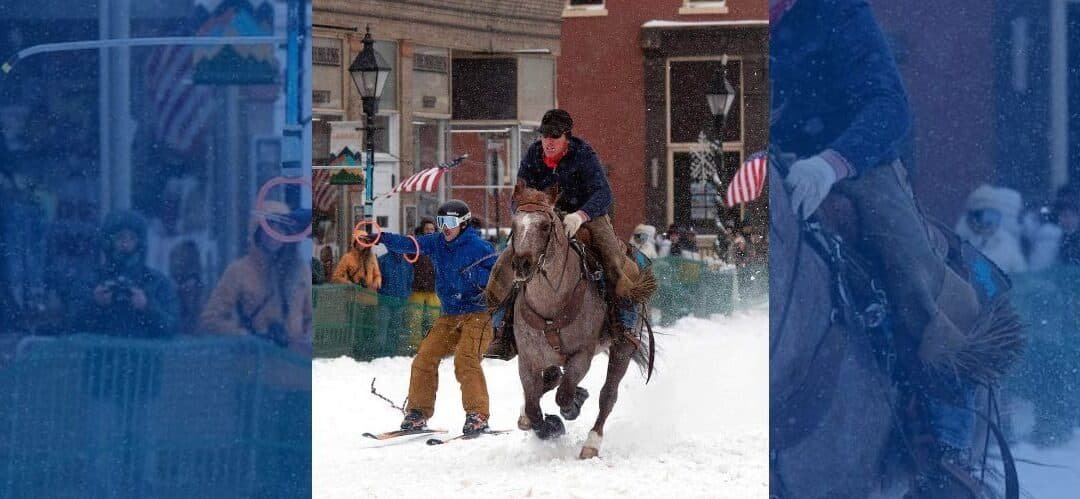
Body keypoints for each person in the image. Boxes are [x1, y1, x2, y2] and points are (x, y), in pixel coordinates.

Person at [771, 0, 988, 495]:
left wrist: (831, 163)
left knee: (910, 267)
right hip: (769, 165)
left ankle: (944, 434)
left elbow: (890, 107)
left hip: (851, 168)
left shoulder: (838, 10)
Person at [361, 200, 497, 435]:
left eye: (450, 222)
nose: (445, 227)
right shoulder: (437, 242)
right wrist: (381, 238)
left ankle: (477, 415)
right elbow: (409, 243)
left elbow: (499, 275)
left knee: (465, 359)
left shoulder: (479, 247)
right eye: (441, 221)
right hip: (450, 314)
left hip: (478, 314)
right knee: (425, 357)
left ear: (464, 224)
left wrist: (476, 277)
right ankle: (417, 413)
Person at [199, 202, 312, 352]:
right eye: (268, 228)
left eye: (281, 228)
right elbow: (210, 319)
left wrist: (307, 338)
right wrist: (247, 337)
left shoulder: (300, 270)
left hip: (294, 361)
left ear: (288, 233)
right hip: (256, 360)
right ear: (257, 232)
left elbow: (313, 316)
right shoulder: (238, 271)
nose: (274, 234)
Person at [75, 210, 179, 338]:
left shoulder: (157, 282)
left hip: (143, 351)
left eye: (132, 238)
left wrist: (147, 307)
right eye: (120, 237)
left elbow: (172, 327)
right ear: (109, 241)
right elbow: (71, 324)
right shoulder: (91, 280)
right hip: (99, 351)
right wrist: (94, 303)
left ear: (140, 242)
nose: (126, 244)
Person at [954, 185, 1027, 275]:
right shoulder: (956, 244)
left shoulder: (1009, 249)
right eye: (986, 216)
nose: (990, 224)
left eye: (994, 217)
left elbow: (1022, 278)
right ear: (972, 216)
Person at [407, 218, 440, 347]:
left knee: (435, 318)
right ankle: (415, 345)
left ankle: (433, 344)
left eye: (432, 229)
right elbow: (407, 257)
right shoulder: (417, 245)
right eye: (427, 229)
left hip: (433, 289)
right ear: (422, 230)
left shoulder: (438, 245)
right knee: (415, 319)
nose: (429, 231)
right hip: (417, 288)